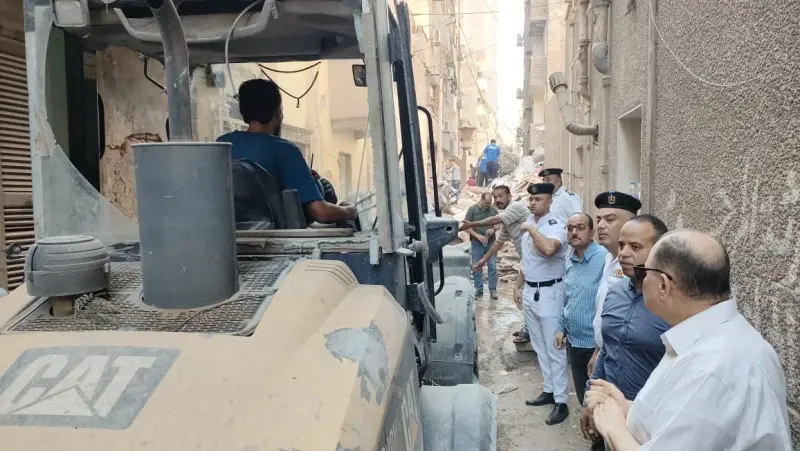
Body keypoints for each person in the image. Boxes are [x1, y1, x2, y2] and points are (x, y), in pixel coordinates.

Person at [589, 230, 792, 450]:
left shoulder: (709, 369)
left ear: (663, 285)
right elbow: (678, 422)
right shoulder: (716, 338)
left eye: (645, 272)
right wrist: (627, 408)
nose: (642, 280)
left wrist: (613, 427)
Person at [581, 215, 670, 449]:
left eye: (635, 247)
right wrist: (589, 400)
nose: (623, 254)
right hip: (607, 412)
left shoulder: (671, 306)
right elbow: (607, 351)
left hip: (648, 423)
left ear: (659, 252)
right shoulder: (614, 293)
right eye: (621, 245)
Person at [217, 79, 356, 225]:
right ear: (276, 114)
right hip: (274, 236)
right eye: (281, 110)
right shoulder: (286, 151)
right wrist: (349, 210)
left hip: (228, 234)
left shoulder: (223, 146)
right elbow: (321, 213)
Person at [516, 183, 570, 425]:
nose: (532, 203)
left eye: (538, 199)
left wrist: (530, 228)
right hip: (531, 290)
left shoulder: (555, 224)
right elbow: (526, 261)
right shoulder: (531, 221)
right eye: (531, 199)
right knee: (539, 346)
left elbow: (548, 249)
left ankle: (562, 401)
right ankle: (549, 390)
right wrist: (517, 286)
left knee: (554, 348)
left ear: (549, 201)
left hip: (550, 292)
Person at [460, 185, 532, 343]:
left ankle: (532, 333)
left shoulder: (515, 207)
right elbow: (498, 243)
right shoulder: (506, 219)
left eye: (501, 196)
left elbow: (495, 220)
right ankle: (528, 330)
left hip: (535, 261)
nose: (497, 200)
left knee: (529, 297)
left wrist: (471, 224)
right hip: (527, 261)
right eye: (495, 197)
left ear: (509, 196)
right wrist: (482, 261)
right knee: (526, 296)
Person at [556, 213, 608, 406]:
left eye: (580, 227)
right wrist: (560, 327)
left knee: (598, 403)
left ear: (592, 232)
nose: (574, 232)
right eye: (570, 228)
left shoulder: (604, 258)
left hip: (595, 346)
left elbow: (608, 304)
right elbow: (567, 297)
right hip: (574, 342)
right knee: (583, 399)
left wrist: (599, 349)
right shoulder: (570, 259)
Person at [587, 191, 641, 377]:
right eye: (599, 219)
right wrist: (598, 349)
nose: (600, 225)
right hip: (606, 352)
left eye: (610, 220)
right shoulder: (609, 258)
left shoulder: (635, 265)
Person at [464, 193, 499, 299]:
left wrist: (493, 229)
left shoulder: (493, 210)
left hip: (491, 241)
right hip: (477, 242)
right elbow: (466, 227)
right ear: (481, 200)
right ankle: (478, 289)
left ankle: (493, 290)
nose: (488, 205)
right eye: (486, 203)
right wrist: (477, 236)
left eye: (490, 203)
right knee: (477, 265)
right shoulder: (472, 210)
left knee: (492, 265)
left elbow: (498, 223)